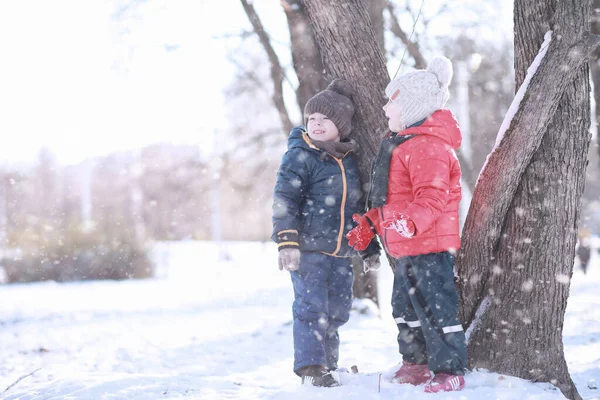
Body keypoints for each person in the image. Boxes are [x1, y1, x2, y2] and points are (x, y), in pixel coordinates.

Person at [346, 56, 467, 393]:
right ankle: (415, 363)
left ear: (413, 108)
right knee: (405, 309)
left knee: (436, 308)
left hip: (428, 245)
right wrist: (371, 223)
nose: (385, 108)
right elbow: (393, 201)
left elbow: (432, 196)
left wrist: (410, 223)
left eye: (392, 101)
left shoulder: (428, 148)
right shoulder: (404, 145)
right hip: (407, 246)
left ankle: (449, 370)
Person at [272, 79, 381, 387]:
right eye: (311, 119)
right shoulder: (300, 155)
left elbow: (357, 212)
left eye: (324, 119)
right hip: (308, 251)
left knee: (336, 312)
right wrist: (287, 242)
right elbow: (284, 199)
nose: (316, 124)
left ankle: (327, 366)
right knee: (310, 310)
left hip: (340, 254)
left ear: (342, 126)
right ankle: (310, 369)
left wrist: (369, 248)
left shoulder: (348, 161)